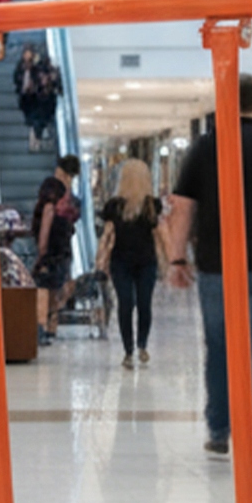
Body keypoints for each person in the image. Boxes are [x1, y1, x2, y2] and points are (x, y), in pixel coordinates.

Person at [166, 74, 252, 469]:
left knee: (219, 347)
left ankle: (219, 430)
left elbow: (182, 207)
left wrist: (177, 259)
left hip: (216, 263)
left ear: (225, 99)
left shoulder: (205, 147)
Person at [97, 157, 168, 369]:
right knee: (131, 303)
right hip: (124, 263)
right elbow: (108, 234)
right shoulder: (115, 206)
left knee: (136, 304)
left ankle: (139, 346)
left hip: (142, 263)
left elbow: (158, 234)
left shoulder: (151, 206)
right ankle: (130, 349)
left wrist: (166, 258)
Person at [32, 154, 81, 345]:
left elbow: (48, 212)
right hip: (64, 246)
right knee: (55, 287)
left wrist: (42, 246)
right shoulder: (70, 194)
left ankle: (41, 327)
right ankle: (52, 328)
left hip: (51, 246)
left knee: (43, 286)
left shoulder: (51, 186)